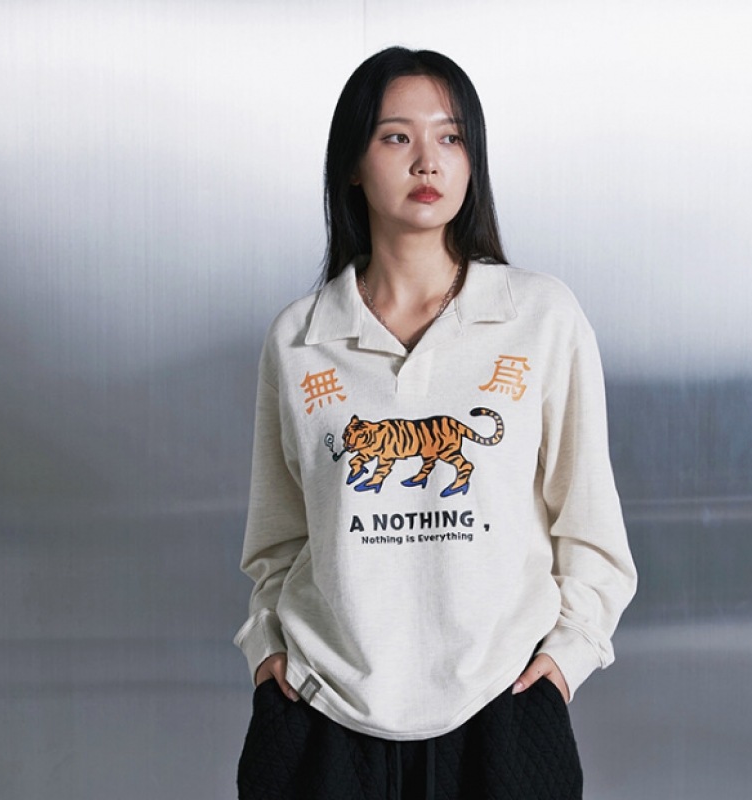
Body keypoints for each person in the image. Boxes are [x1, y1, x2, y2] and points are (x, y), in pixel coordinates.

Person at [234, 46, 636, 800]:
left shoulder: (539, 317)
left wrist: (567, 661)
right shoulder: (298, 339)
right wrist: (267, 652)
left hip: (502, 708)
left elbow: (589, 525)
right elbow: (277, 540)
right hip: (324, 714)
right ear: (352, 164)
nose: (428, 160)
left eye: (450, 137)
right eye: (397, 137)